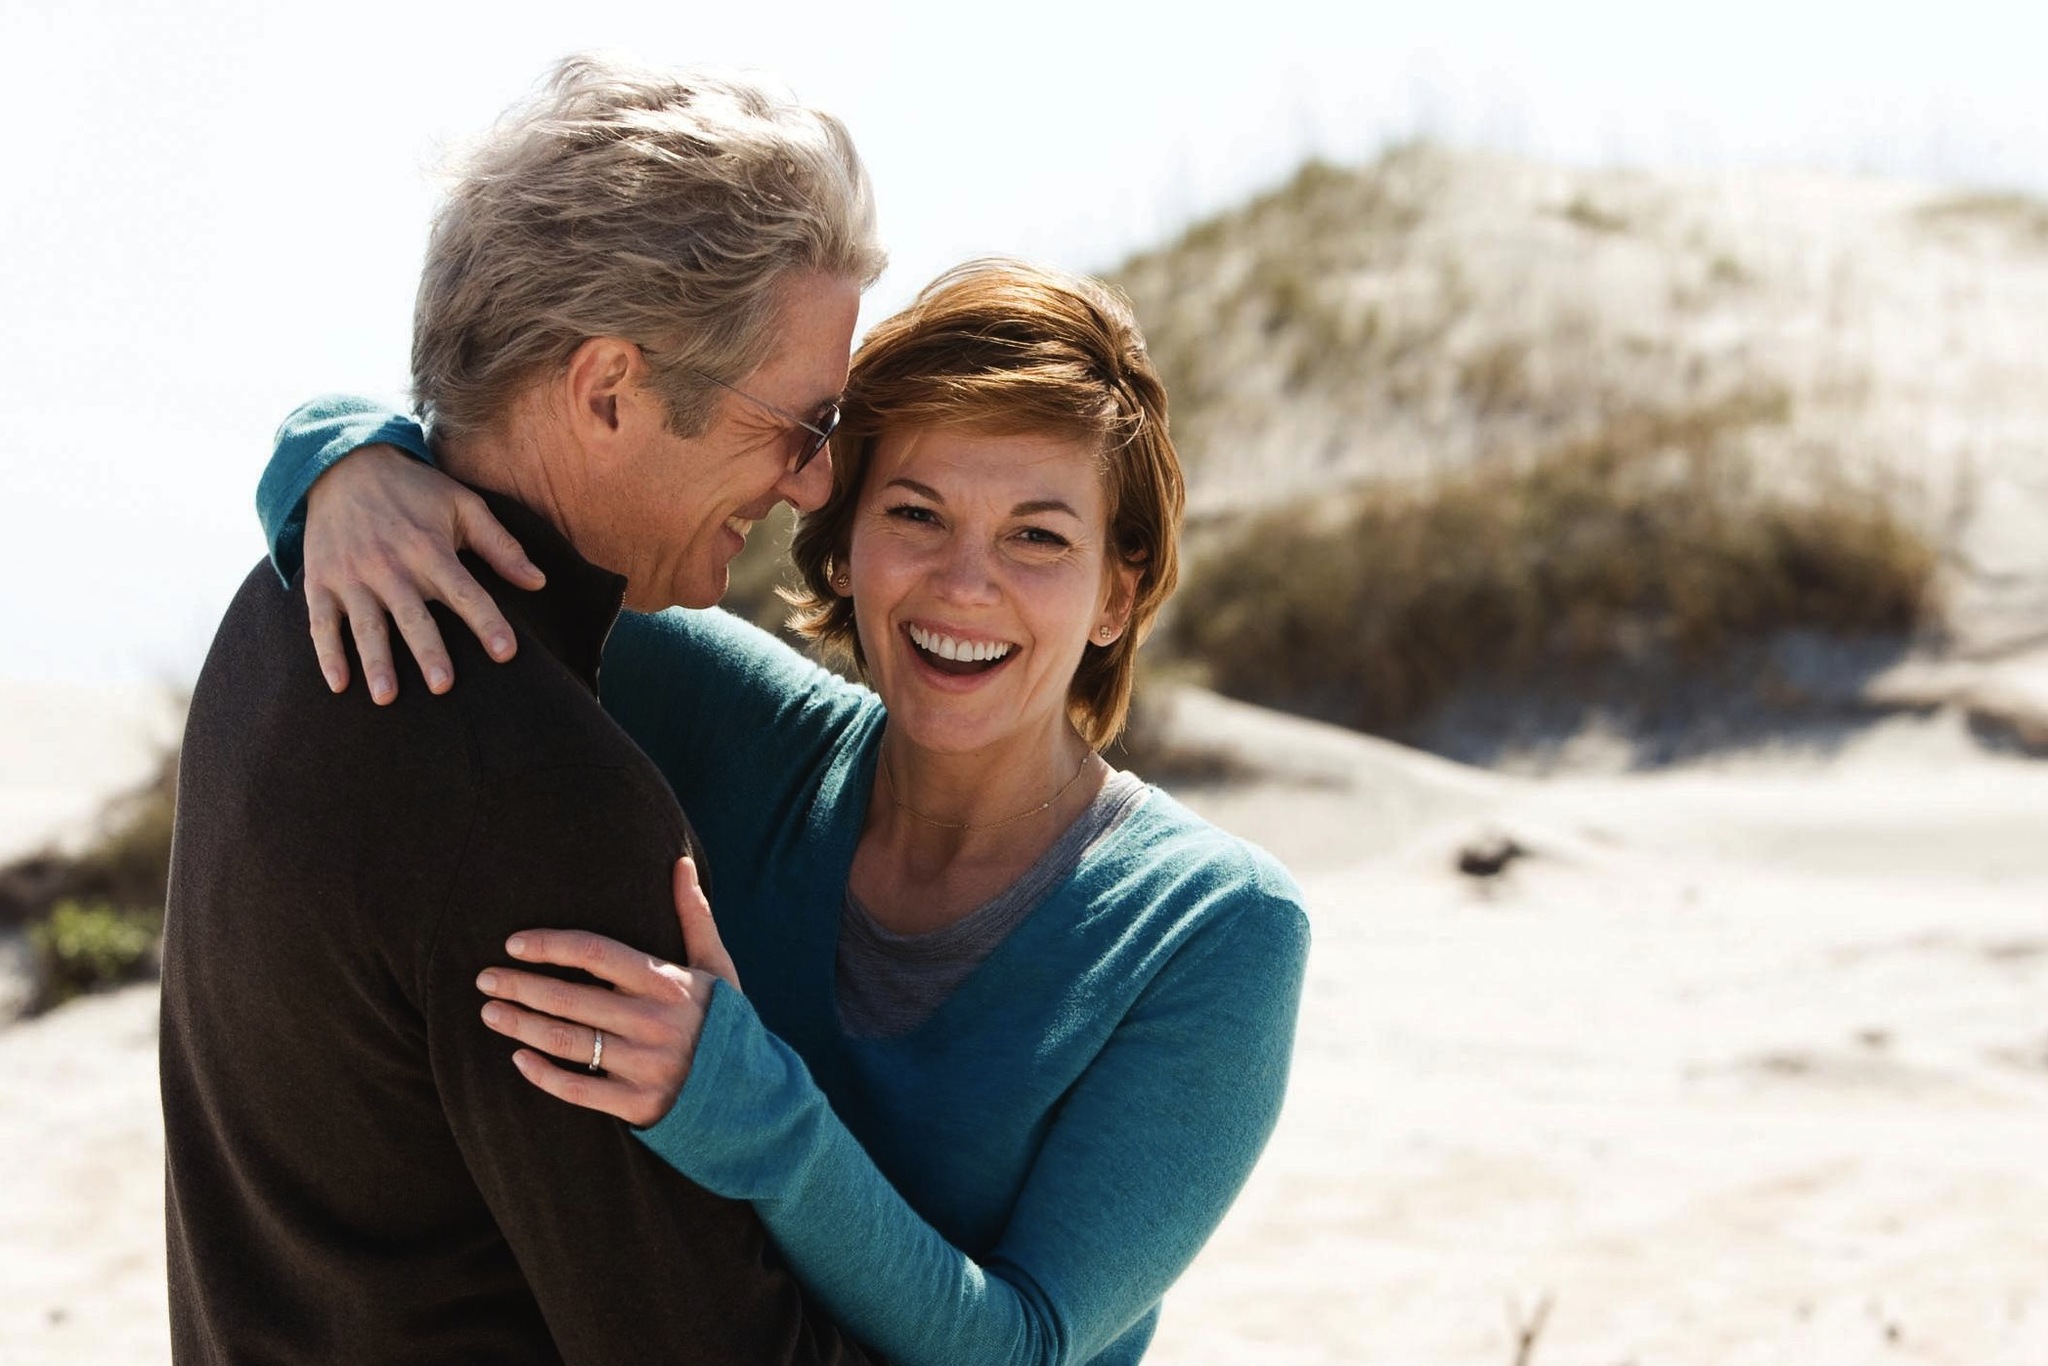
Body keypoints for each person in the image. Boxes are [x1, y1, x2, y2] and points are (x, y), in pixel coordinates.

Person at [259, 261, 1310, 1365]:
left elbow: (1025, 1342)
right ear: (844, 539)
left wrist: (751, 1108)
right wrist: (342, 461)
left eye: (1037, 536)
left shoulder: (1214, 927)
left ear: (1116, 590)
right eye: (915, 513)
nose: (963, 584)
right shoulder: (737, 724)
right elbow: (481, 483)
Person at [162, 56, 886, 1364]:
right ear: (608, 387)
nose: (815, 485)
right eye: (804, 423)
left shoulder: (282, 604)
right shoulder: (542, 799)